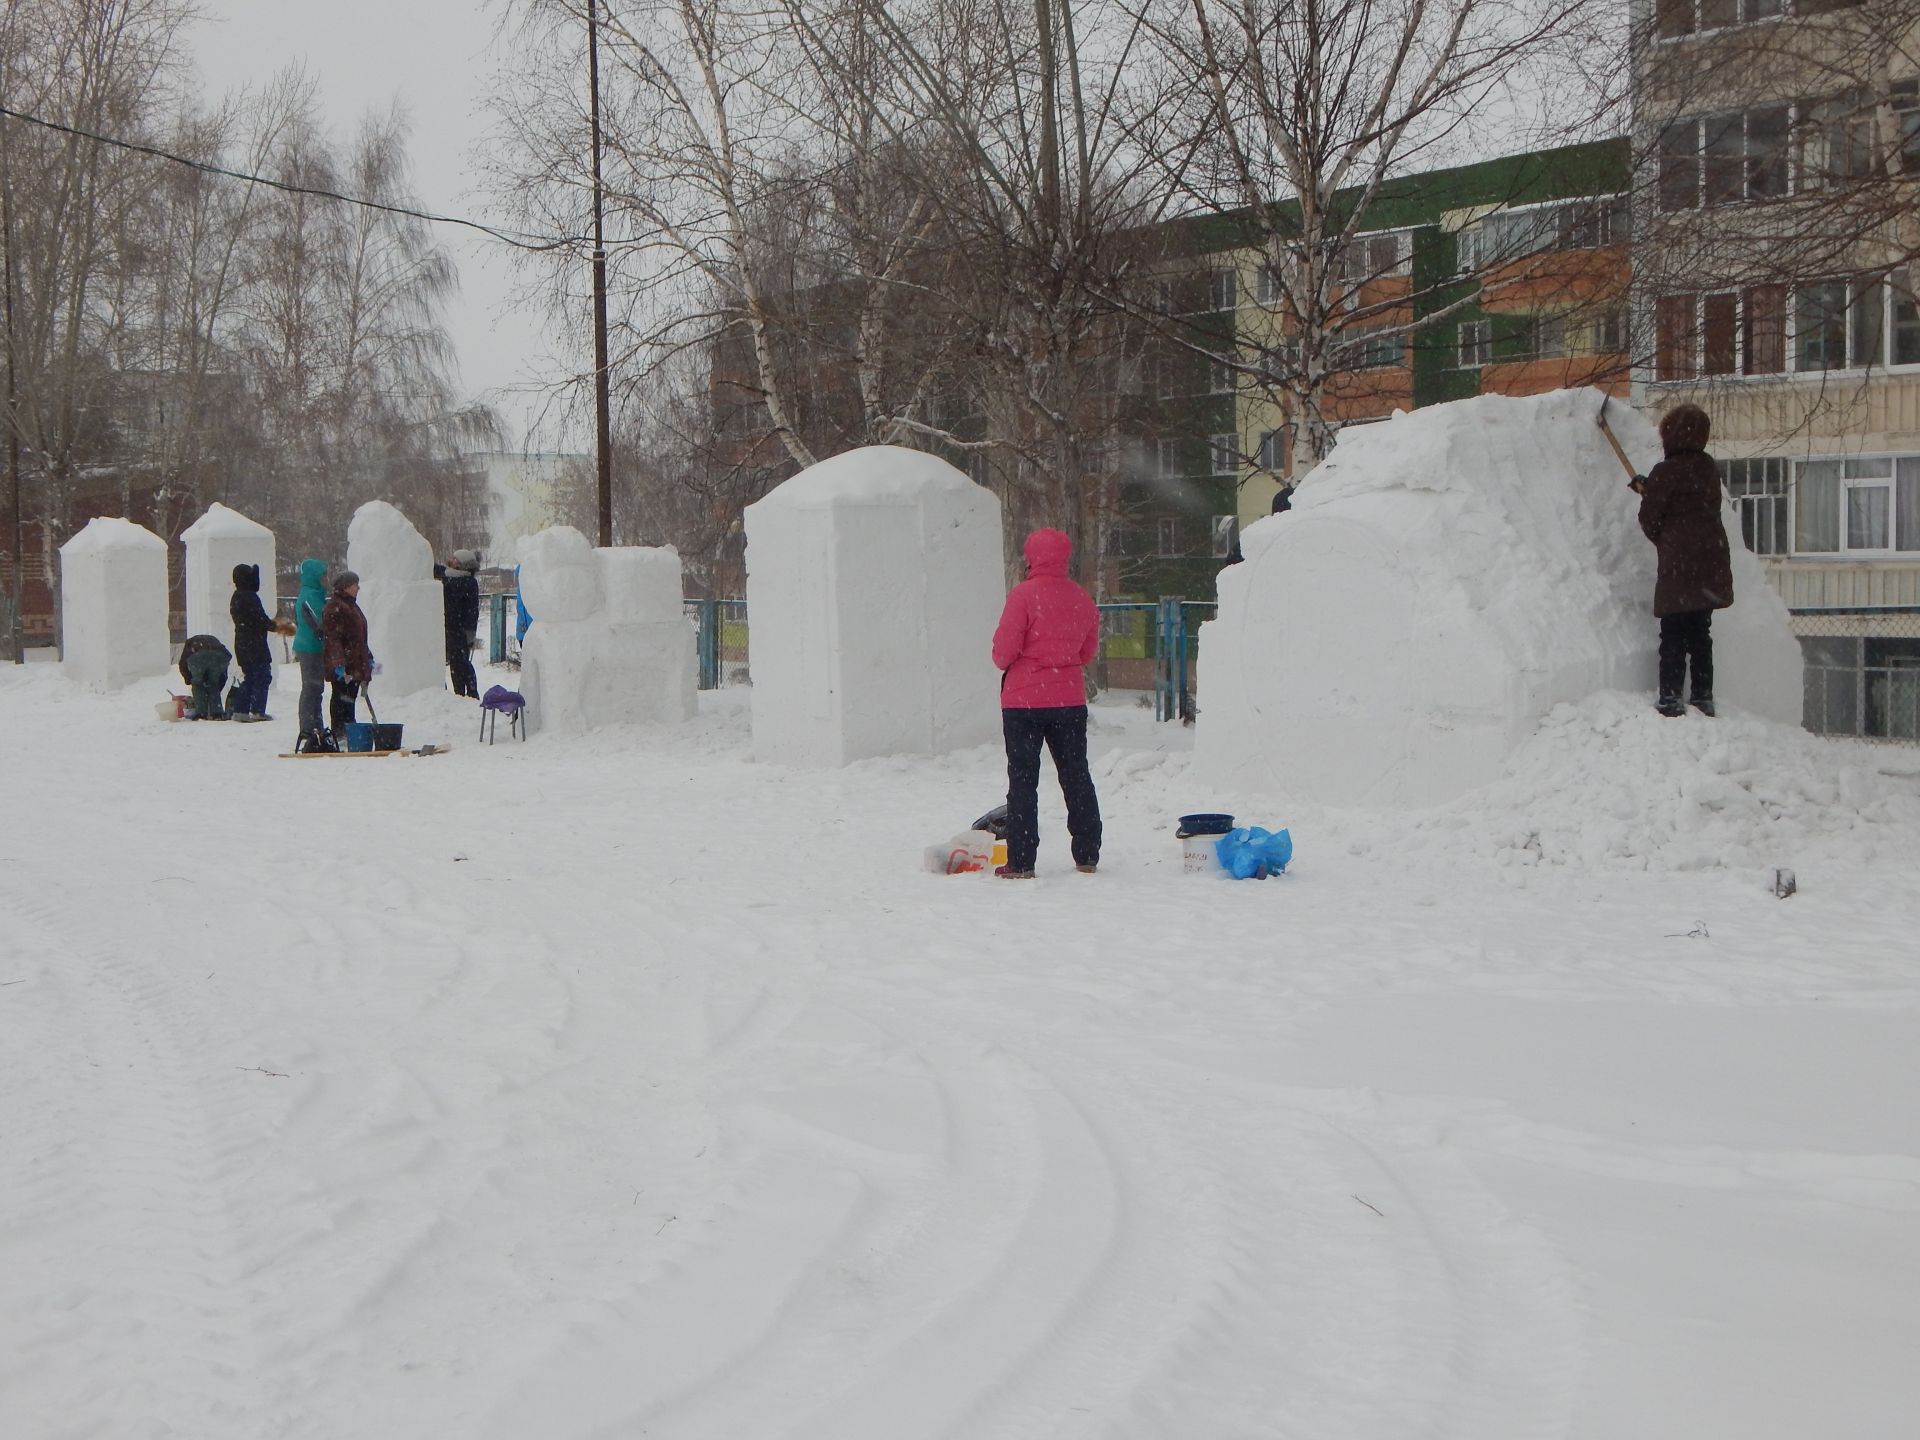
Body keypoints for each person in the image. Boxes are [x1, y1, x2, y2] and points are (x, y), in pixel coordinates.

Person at [990, 528, 1103, 878]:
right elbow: (1086, 653)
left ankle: (1022, 861)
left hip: (1024, 703)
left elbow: (1002, 653)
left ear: (1031, 558)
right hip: (1068, 700)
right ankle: (1087, 854)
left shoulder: (1023, 597)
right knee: (1076, 775)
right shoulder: (1082, 598)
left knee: (1023, 780)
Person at [1632, 403, 1733, 718]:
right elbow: (1687, 499)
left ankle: (1671, 699)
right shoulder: (1708, 468)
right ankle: (1703, 697)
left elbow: (1650, 519)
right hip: (1710, 560)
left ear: (1669, 435)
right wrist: (1654, 491)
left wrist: (1650, 498)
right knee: (1700, 633)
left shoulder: (1666, 471)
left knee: (1673, 634)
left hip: (1680, 565)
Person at [321, 571, 373, 741]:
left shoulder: (351, 605)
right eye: (354, 585)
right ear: (345, 587)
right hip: (345, 662)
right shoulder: (335, 607)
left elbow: (359, 635)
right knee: (341, 696)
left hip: (355, 660)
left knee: (350, 696)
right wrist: (338, 663)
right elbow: (333, 638)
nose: (358, 588)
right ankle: (340, 730)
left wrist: (368, 656)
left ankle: (349, 727)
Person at [226, 563, 278, 722]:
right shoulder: (250, 597)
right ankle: (257, 711)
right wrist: (277, 626)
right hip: (254, 643)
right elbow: (260, 619)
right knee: (261, 676)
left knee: (250, 676)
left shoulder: (237, 596)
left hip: (242, 642)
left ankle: (240, 710)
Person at [291, 558, 333, 750]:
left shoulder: (313, 593)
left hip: (312, 646)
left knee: (316, 688)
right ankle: (308, 727)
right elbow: (319, 623)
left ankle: (316, 725)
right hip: (310, 648)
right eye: (323, 575)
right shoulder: (310, 595)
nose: (325, 578)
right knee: (311, 688)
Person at [435, 548, 483, 697]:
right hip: (450, 629)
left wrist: (470, 633)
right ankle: (459, 694)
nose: (451, 560)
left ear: (461, 564)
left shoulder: (466, 582)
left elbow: (472, 612)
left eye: (455, 559)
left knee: (461, 663)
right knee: (456, 665)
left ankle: (471, 693)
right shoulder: (451, 577)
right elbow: (441, 571)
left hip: (461, 631)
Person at [177, 633, 232, 720]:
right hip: (220, 655)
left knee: (197, 684)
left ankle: (201, 713)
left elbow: (182, 664)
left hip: (198, 655)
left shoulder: (189, 644)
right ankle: (217, 713)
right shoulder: (213, 640)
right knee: (214, 683)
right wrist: (217, 685)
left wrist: (189, 680)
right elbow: (227, 659)